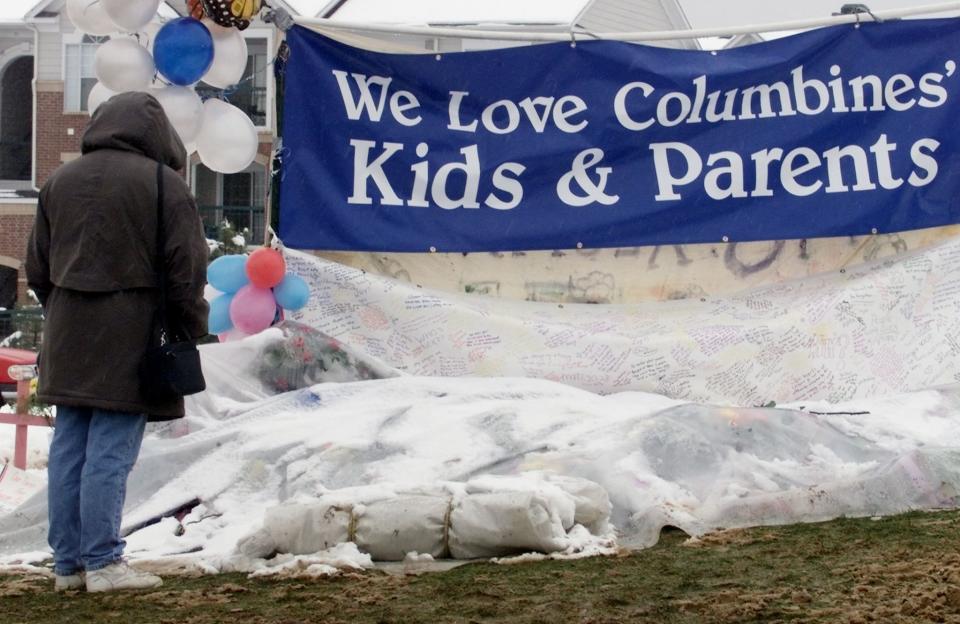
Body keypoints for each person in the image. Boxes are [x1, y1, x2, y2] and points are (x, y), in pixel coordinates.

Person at [26, 92, 209, 592]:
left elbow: (37, 269)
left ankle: (69, 568)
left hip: (66, 329)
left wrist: (67, 307)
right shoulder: (162, 184)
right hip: (129, 330)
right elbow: (186, 270)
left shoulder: (58, 180)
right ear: (157, 134)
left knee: (68, 448)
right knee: (110, 448)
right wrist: (190, 328)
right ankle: (104, 563)